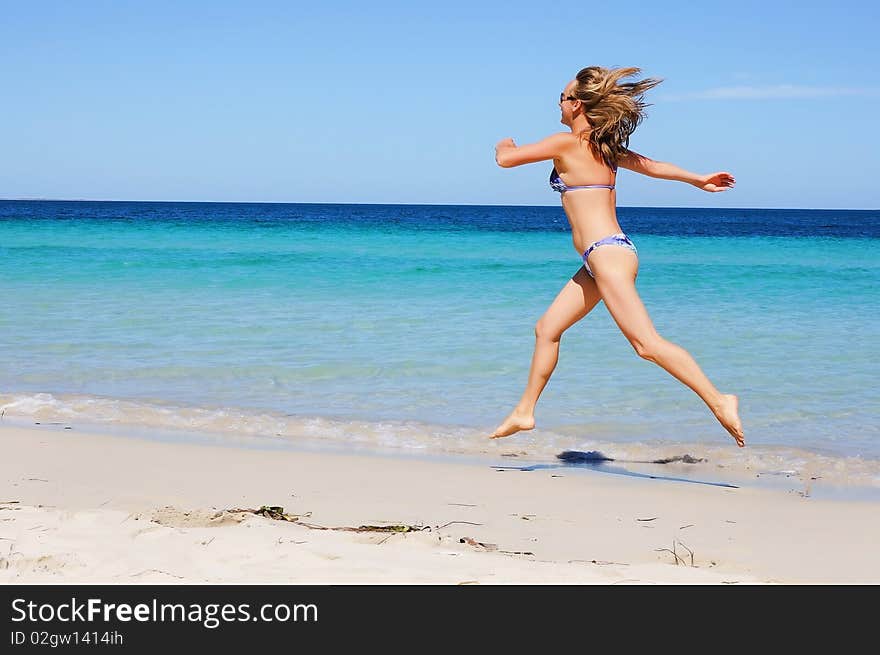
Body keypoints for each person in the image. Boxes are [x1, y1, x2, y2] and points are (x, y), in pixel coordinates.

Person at [490, 66, 745, 447]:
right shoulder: (605, 148)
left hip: (607, 255)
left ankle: (719, 399)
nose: (558, 104)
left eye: (562, 97)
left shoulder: (566, 142)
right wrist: (697, 179)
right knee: (547, 329)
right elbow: (653, 167)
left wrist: (503, 144)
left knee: (646, 344)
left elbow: (506, 161)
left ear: (576, 105)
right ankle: (525, 411)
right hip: (602, 257)